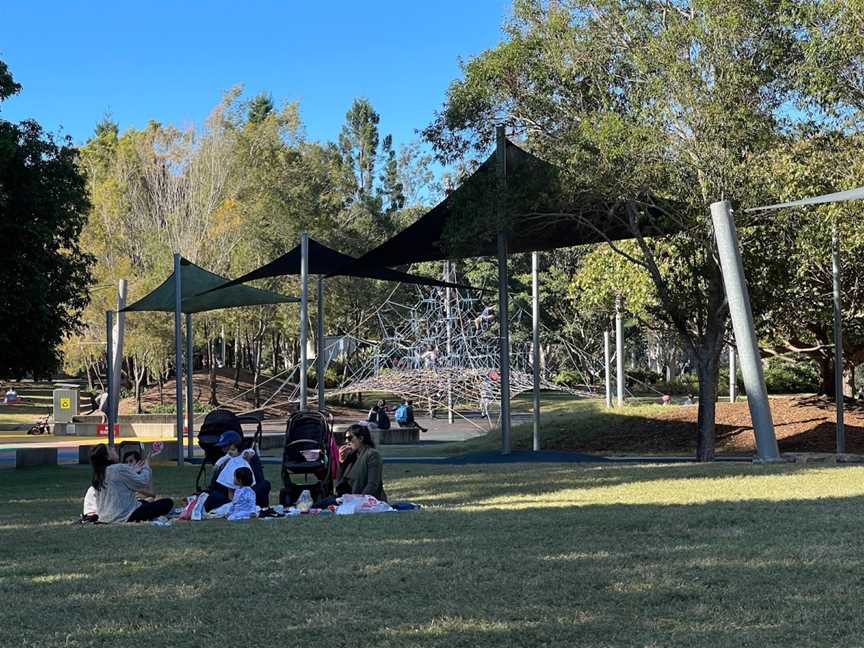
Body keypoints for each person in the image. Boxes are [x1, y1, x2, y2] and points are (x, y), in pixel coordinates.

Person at [88, 444, 173, 523]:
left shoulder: (98, 474)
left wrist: (131, 471)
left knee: (144, 502)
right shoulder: (119, 469)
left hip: (104, 516)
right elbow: (142, 481)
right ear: (107, 457)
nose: (113, 449)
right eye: (110, 449)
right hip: (124, 515)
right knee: (167, 502)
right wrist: (146, 466)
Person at [200, 431, 270, 513]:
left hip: (249, 494)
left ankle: (256, 506)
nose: (222, 449)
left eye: (224, 446)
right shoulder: (224, 460)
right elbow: (216, 486)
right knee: (214, 496)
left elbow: (258, 479)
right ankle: (235, 506)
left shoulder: (248, 457)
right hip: (229, 497)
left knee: (264, 485)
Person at [335, 425, 387, 501]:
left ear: (361, 438)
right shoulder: (352, 456)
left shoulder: (372, 454)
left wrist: (358, 500)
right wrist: (342, 462)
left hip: (364, 500)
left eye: (349, 438)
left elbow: (372, 484)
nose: (347, 442)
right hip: (345, 498)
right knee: (318, 505)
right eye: (345, 438)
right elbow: (340, 483)